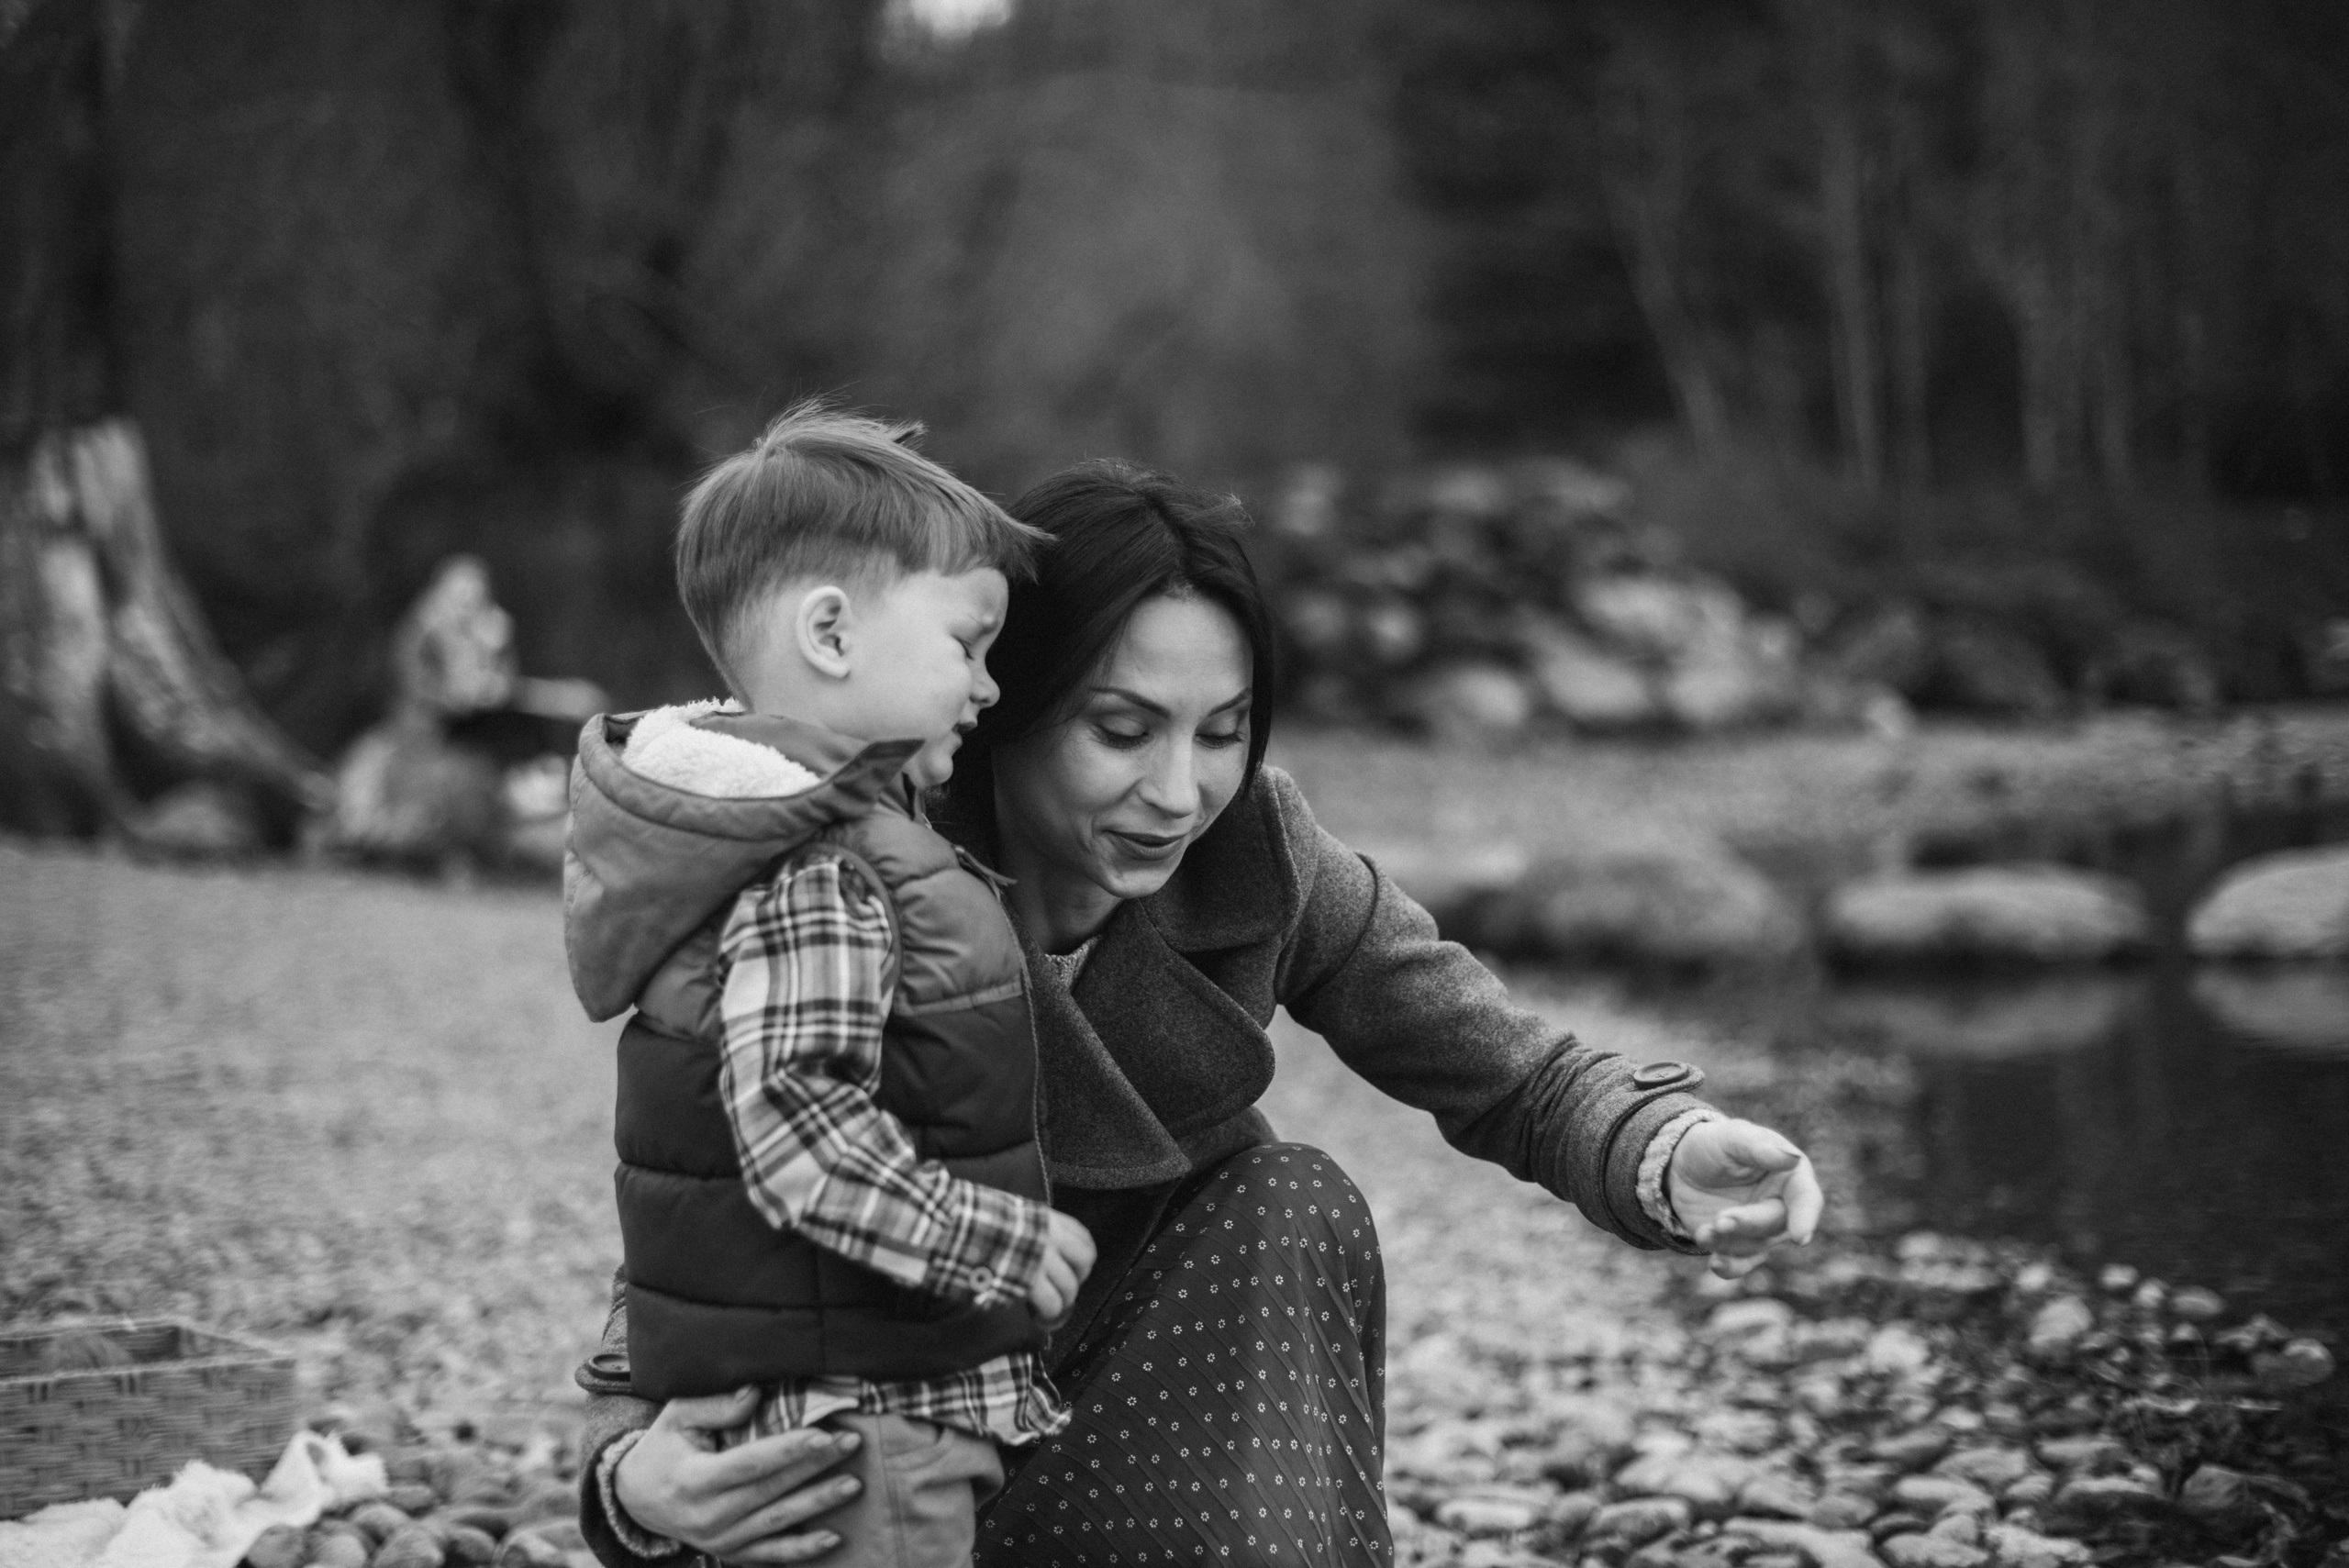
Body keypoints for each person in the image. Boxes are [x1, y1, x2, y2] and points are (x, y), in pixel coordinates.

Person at [573, 460, 1825, 1568]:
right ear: (1000, 703)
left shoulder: (1253, 850)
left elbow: (1500, 1066)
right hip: (874, 1455)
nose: (1177, 792)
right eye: (1122, 730)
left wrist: (1660, 1152)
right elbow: (709, 1185)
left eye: (1221, 732)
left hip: (1122, 1444)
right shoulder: (855, 873)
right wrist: (631, 1486)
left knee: (1295, 1200)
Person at [561, 403, 1100, 1568]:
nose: (991, 686)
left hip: (834, 1399)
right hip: (863, 1424)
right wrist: (990, 1241)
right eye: (969, 642)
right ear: (832, 634)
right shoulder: (823, 869)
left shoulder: (783, 840)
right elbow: (797, 1128)